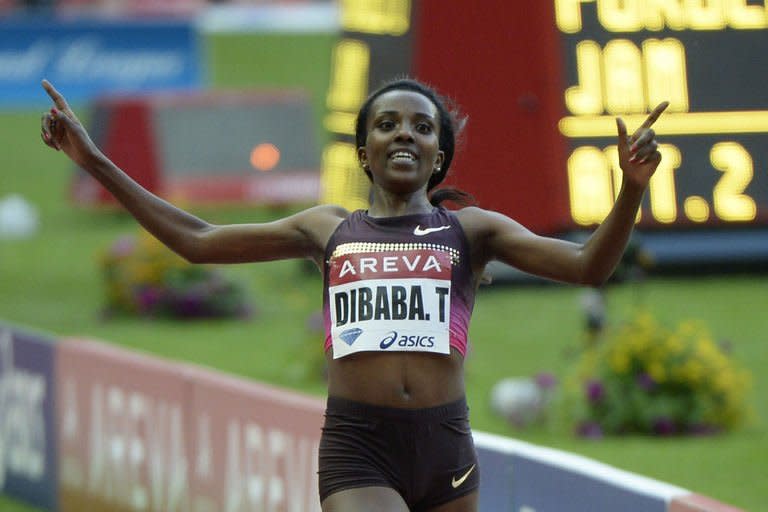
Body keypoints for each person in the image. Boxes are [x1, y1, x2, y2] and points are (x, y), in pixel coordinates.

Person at [40, 77, 667, 512]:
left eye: (421, 128)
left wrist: (631, 188)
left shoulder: (472, 232)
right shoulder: (328, 228)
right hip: (359, 447)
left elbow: (588, 266)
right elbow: (199, 239)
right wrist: (94, 161)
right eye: (386, 125)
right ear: (364, 152)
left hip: (446, 444)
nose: (404, 135)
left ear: (438, 154)